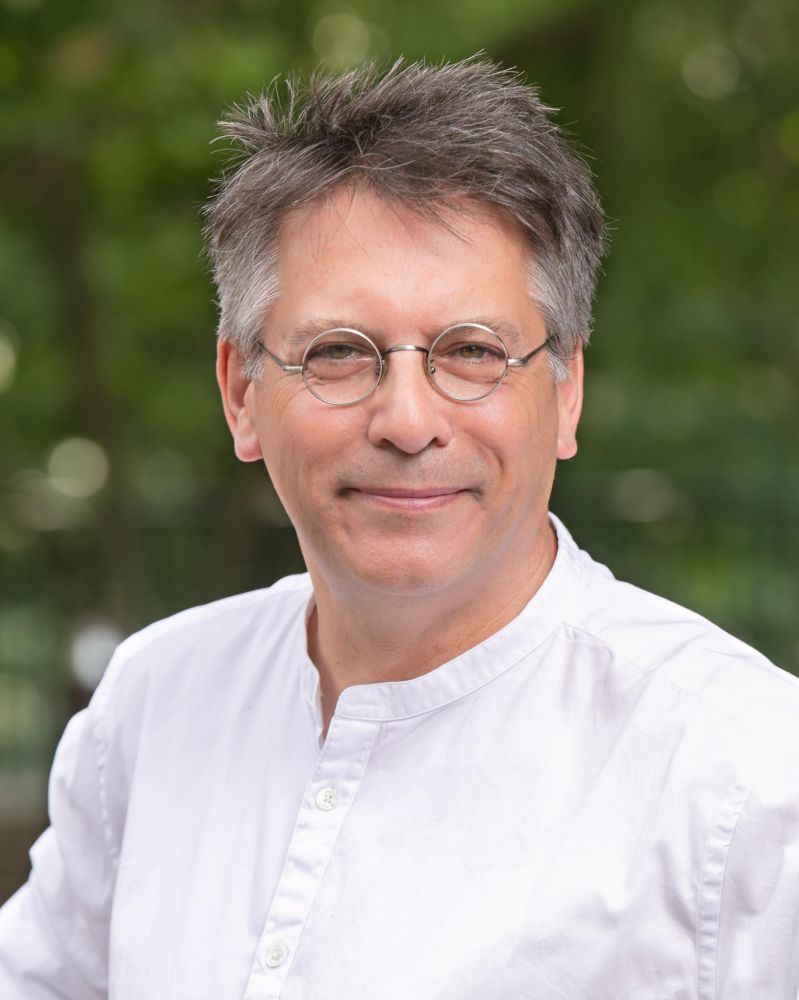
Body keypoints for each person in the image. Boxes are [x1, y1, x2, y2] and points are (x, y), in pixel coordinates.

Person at [1, 57, 798, 999]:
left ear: (566, 389)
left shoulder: (744, 778)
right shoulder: (157, 702)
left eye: (473, 351)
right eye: (338, 353)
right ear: (240, 392)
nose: (409, 421)